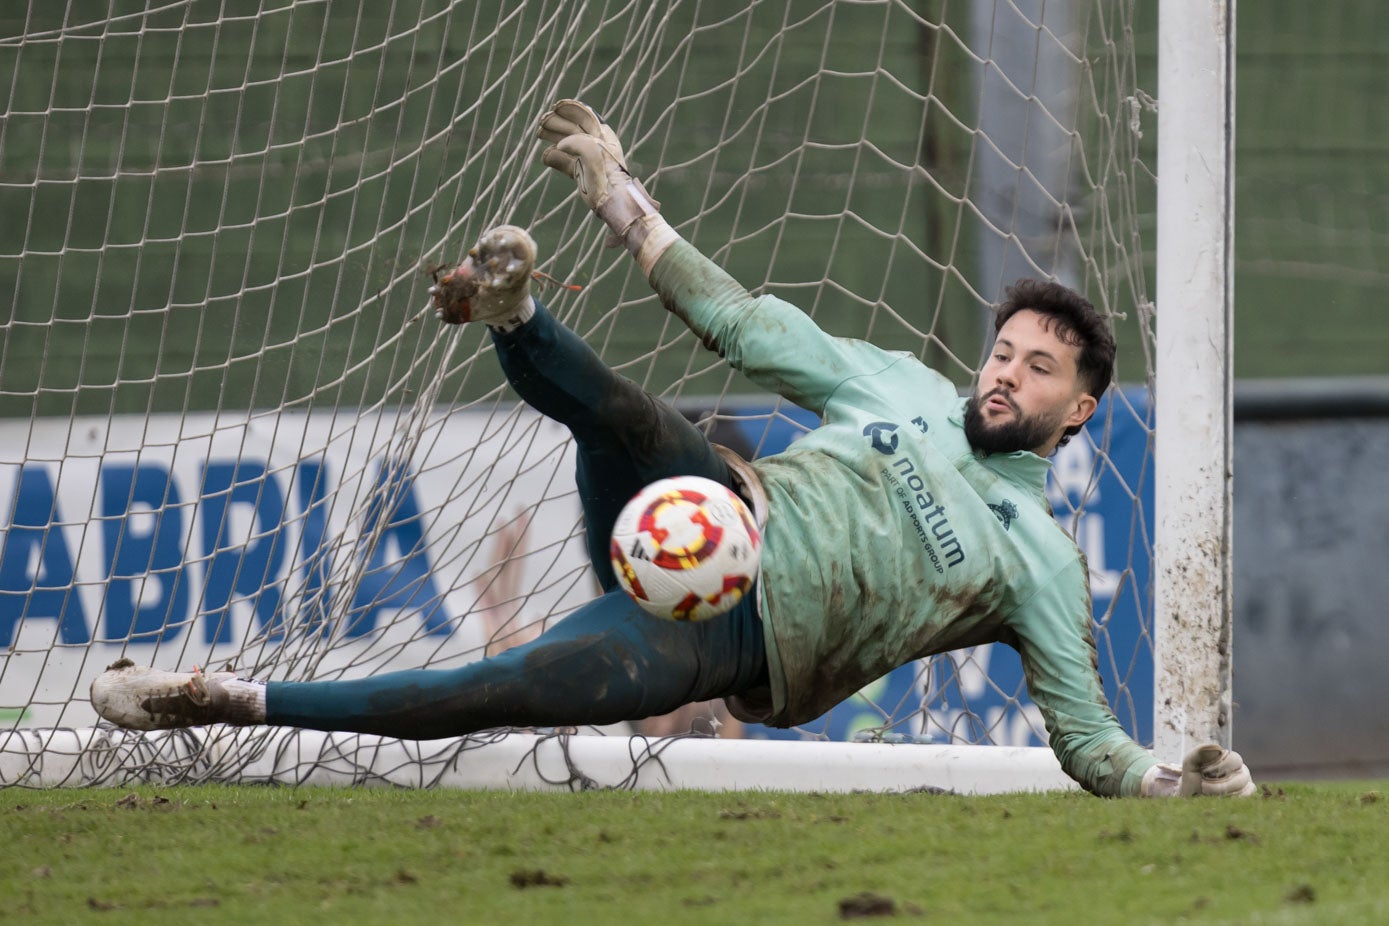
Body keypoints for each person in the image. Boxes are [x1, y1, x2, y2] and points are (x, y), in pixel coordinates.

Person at [91, 100, 1254, 799]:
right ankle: (515, 315)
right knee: (642, 420)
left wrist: (1171, 778)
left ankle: (219, 698)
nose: (1008, 372)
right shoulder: (898, 383)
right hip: (710, 507)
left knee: (495, 688)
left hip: (734, 637)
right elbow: (742, 322)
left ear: (1079, 412)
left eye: (1040, 368)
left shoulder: (1038, 559)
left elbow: (1090, 739)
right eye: (1006, 350)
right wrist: (617, 192)